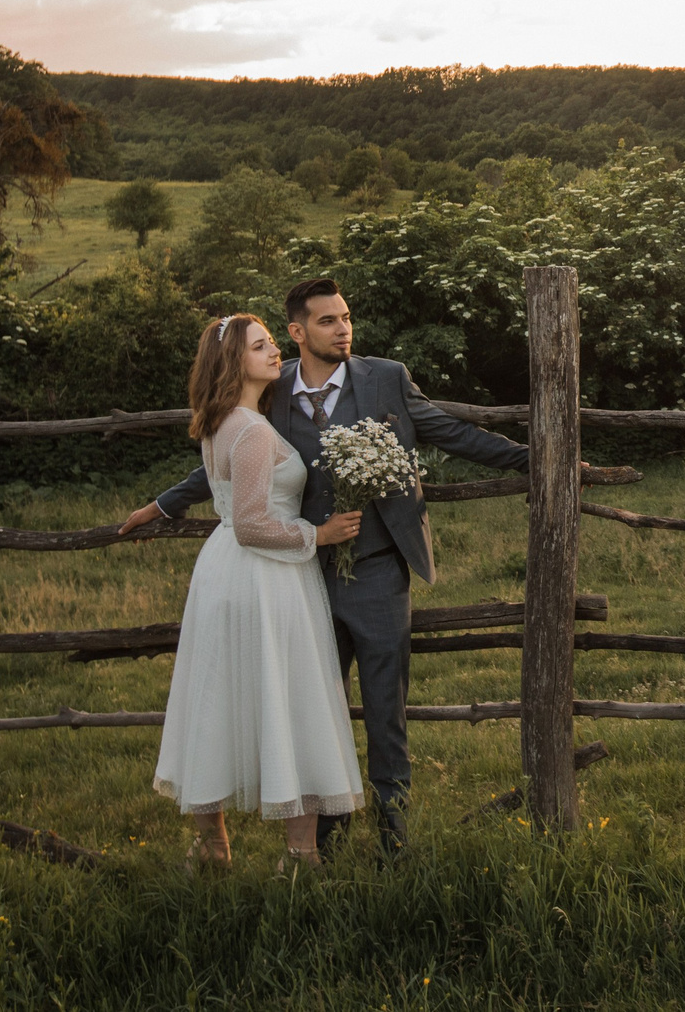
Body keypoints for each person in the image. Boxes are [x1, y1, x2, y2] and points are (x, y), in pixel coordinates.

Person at [122, 277, 532, 856]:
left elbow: (452, 433)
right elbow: (237, 459)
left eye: (346, 318)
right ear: (297, 331)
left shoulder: (385, 378)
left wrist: (538, 457)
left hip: (379, 569)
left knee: (385, 711)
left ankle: (395, 838)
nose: (343, 329)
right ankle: (328, 844)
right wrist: (167, 502)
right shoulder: (273, 388)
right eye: (327, 321)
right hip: (301, 578)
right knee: (317, 710)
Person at [151, 312, 366, 870]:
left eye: (272, 343)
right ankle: (299, 854)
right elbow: (249, 522)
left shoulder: (228, 422)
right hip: (263, 571)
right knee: (291, 699)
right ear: (233, 362)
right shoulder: (246, 430)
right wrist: (317, 534)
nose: (275, 353)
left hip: (231, 571)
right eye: (261, 346)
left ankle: (214, 846)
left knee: (222, 698)